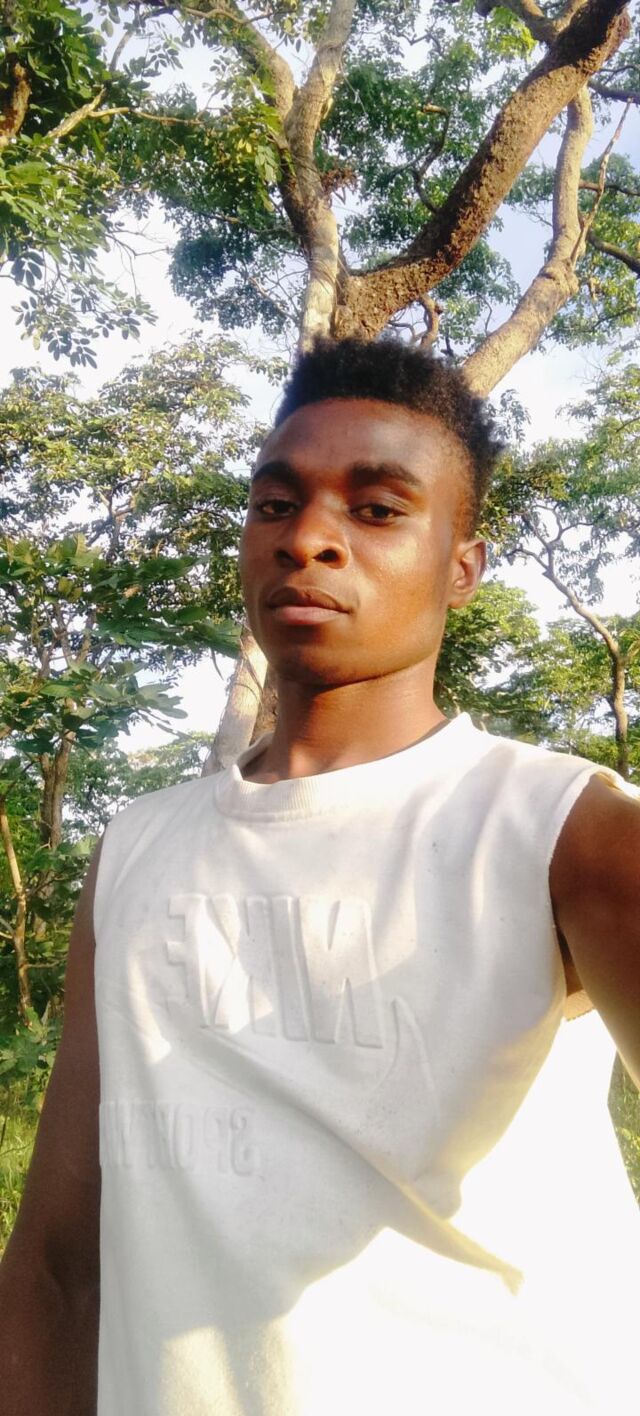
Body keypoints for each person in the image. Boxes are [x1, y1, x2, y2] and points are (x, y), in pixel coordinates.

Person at [1, 336, 639, 1416]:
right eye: (275, 504)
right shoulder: (134, 850)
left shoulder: (561, 829)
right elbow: (61, 1262)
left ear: (463, 567)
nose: (307, 539)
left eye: (378, 509)